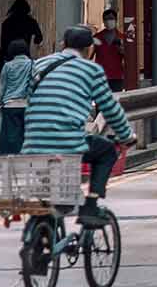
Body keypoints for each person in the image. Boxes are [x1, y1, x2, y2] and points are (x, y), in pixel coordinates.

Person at [21, 25, 135, 226]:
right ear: (89, 49)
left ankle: (38, 237)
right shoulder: (91, 70)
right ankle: (90, 206)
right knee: (107, 150)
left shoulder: (40, 64)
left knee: (47, 194)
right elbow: (109, 108)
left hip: (33, 144)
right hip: (68, 144)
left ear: (63, 44)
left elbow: (30, 98)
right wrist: (127, 136)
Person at [0, 39, 32, 155]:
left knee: (11, 138)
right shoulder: (32, 64)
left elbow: (2, 86)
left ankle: (12, 161)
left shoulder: (7, 66)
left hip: (10, 105)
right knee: (26, 135)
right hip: (27, 105)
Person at [0, 0, 42, 69]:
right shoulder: (31, 21)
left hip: (10, 58)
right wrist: (35, 40)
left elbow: (3, 44)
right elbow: (39, 38)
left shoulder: (6, 23)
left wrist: (0, 63)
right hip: (25, 57)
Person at [93, 10, 126, 92]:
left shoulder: (122, 38)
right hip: (100, 76)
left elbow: (128, 56)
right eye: (106, 19)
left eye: (111, 18)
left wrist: (122, 49)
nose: (108, 21)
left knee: (116, 99)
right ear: (103, 21)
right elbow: (89, 55)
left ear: (116, 20)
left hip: (117, 76)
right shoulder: (97, 37)